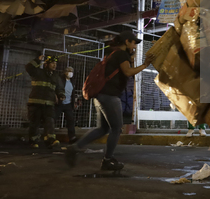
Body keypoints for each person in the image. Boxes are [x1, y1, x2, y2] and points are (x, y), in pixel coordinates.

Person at [66, 31, 155, 171]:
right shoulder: (121, 54)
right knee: (116, 128)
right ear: (126, 41)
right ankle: (107, 160)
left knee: (103, 128)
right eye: (133, 43)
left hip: (101, 95)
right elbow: (128, 72)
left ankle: (75, 148)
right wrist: (145, 65)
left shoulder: (111, 54)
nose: (135, 46)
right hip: (110, 95)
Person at [25, 55, 65, 149]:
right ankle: (33, 141)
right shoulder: (38, 72)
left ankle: (50, 140)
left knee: (50, 122)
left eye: (55, 64)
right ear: (46, 64)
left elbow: (59, 87)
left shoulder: (55, 76)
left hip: (49, 103)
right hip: (35, 102)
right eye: (52, 63)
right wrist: (37, 60)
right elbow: (29, 67)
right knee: (35, 122)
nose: (54, 65)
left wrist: (61, 95)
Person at [55, 66, 81, 144]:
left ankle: (72, 137)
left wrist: (74, 101)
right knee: (53, 119)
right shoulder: (60, 80)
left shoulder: (72, 81)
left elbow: (72, 93)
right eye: (69, 71)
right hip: (59, 103)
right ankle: (50, 136)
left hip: (68, 104)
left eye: (72, 71)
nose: (70, 73)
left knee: (70, 121)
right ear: (65, 72)